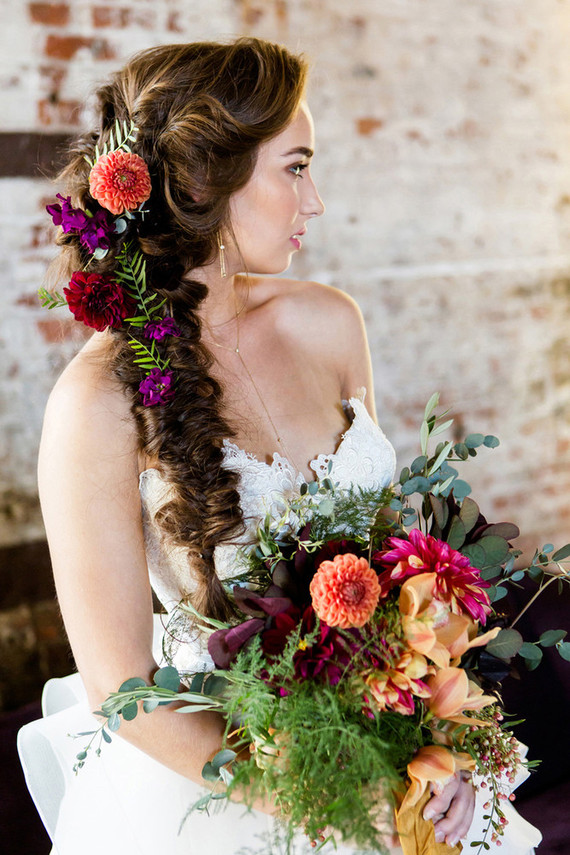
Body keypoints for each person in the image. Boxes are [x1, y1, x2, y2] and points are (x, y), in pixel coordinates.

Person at [18, 37, 541, 855]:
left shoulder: (330, 321)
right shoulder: (95, 406)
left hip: (391, 746)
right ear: (203, 182)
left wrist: (447, 743)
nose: (316, 200)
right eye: (295, 168)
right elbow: (122, 685)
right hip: (230, 781)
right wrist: (317, 796)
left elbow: (402, 575)